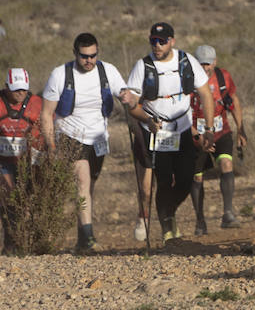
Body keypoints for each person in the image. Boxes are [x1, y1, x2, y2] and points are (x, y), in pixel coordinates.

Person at [122, 22, 217, 243]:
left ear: (171, 41)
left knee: (186, 178)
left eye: (162, 41)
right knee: (163, 180)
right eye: (153, 41)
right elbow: (132, 105)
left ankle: (168, 212)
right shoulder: (142, 66)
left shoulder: (186, 61)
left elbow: (205, 93)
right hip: (158, 132)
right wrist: (147, 119)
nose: (157, 46)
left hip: (183, 128)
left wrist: (209, 129)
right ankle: (167, 229)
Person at [38, 34, 127, 251]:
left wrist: (128, 97)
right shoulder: (60, 75)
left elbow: (124, 93)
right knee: (83, 183)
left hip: (98, 138)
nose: (89, 60)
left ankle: (81, 237)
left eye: (93, 56)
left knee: (89, 187)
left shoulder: (108, 71)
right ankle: (88, 239)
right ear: (75, 53)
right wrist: (51, 147)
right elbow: (46, 114)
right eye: (84, 56)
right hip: (70, 135)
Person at [188, 45, 245, 234]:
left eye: (208, 63)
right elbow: (181, 112)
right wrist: (198, 135)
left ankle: (228, 213)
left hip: (221, 130)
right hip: (196, 133)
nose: (205, 68)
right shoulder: (188, 81)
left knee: (226, 165)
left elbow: (233, 101)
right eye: (201, 63)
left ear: (215, 62)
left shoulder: (223, 77)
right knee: (197, 176)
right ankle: (200, 220)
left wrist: (241, 129)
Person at [0, 68, 44, 251]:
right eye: (16, 89)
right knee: (9, 197)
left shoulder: (36, 104)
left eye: (23, 89)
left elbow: (46, 129)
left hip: (29, 160)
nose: (20, 93)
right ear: (6, 87)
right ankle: (11, 244)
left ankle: (31, 244)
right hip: (3, 161)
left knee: (27, 201)